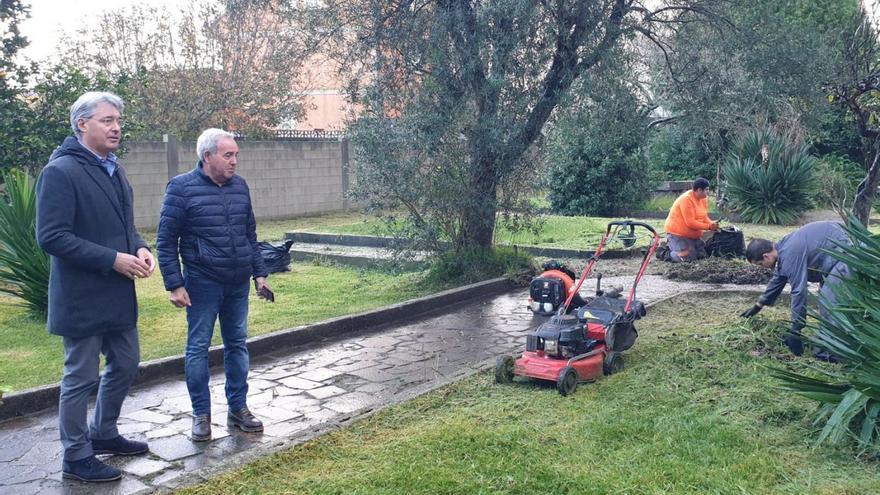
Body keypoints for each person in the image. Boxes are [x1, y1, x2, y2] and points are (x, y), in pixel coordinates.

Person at [36, 91, 154, 482]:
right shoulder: (61, 171)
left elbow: (125, 226)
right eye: (107, 120)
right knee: (80, 377)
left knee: (126, 362)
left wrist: (139, 246)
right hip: (82, 296)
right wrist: (113, 259)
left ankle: (103, 432)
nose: (116, 126)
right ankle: (75, 456)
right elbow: (51, 237)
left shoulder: (113, 169)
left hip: (117, 292)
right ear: (82, 124)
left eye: (118, 120)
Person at [156, 128, 270, 442]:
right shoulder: (180, 188)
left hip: (236, 284)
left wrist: (259, 274)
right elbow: (165, 243)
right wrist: (174, 284)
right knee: (197, 349)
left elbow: (250, 235)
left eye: (236, 155)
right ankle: (201, 415)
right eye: (228, 155)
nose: (234, 161)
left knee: (238, 345)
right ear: (207, 156)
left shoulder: (240, 187)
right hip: (202, 284)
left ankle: (238, 409)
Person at [740, 221, 851, 357]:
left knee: (829, 303)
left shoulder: (789, 254)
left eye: (760, 264)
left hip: (845, 255)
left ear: (766, 256)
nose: (761, 267)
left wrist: (795, 331)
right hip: (834, 256)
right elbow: (778, 279)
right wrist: (758, 305)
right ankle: (830, 345)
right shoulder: (782, 249)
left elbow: (799, 292)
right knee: (828, 301)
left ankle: (834, 354)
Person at [663, 177, 720, 262]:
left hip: (692, 236)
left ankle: (684, 247)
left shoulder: (703, 199)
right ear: (699, 190)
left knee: (702, 255)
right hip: (677, 234)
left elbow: (704, 217)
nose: (708, 192)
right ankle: (665, 252)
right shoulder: (686, 200)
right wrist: (708, 227)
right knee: (686, 257)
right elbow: (690, 223)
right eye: (707, 190)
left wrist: (712, 224)